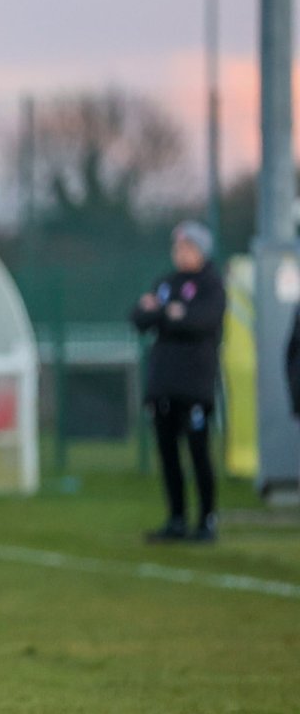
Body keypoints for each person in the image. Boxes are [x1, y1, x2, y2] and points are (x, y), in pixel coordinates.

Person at [131, 220, 225, 544]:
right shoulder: (166, 283)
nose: (180, 253)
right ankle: (176, 520)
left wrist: (169, 314)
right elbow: (139, 317)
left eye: (187, 247)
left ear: (201, 250)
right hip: (163, 385)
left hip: (195, 386)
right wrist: (167, 313)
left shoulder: (212, 285)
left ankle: (207, 520)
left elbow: (202, 321)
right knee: (168, 455)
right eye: (177, 247)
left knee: (198, 454)